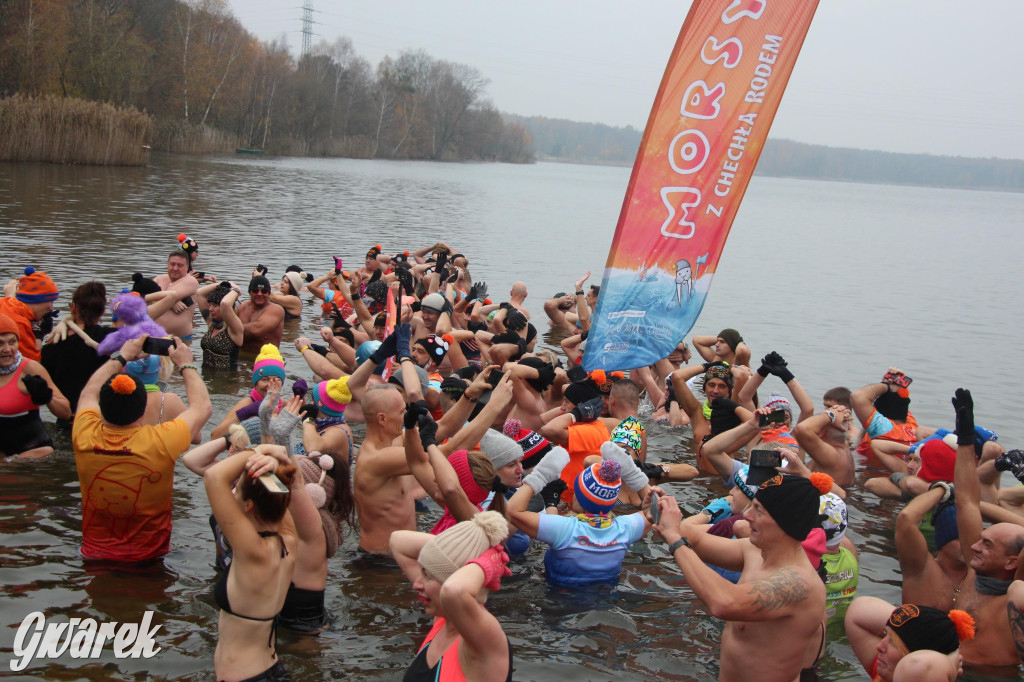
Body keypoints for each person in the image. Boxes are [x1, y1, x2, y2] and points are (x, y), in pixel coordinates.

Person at [652, 472, 833, 682]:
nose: (747, 516)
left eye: (759, 511)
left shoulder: (799, 583)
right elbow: (699, 541)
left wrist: (675, 539)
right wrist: (661, 515)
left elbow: (724, 602)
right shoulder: (756, 551)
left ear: (786, 523)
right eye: (752, 506)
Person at [72, 334, 211, 561]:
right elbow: (203, 407)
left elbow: (88, 391)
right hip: (151, 559)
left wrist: (122, 356)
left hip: (93, 557)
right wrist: (186, 364)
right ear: (143, 409)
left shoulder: (84, 433)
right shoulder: (161, 441)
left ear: (101, 408)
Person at [204, 447, 297, 681]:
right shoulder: (289, 541)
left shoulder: (252, 551)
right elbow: (278, 499)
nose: (232, 495)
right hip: (272, 668)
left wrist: (256, 453)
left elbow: (214, 478)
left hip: (243, 675)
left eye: (236, 493)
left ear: (248, 506)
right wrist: (271, 465)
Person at [948, 387, 1024, 669]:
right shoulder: (973, 568)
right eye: (982, 539)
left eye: (987, 545)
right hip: (949, 669)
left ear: (1012, 561)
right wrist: (965, 438)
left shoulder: (1015, 597)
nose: (974, 546)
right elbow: (967, 500)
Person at [390, 511, 514, 682]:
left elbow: (454, 590)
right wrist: (467, 543)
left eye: (428, 576)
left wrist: (491, 560)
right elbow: (397, 541)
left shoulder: (483, 640)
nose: (416, 584)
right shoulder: (443, 620)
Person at [507, 443, 653, 586]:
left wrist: (541, 476)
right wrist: (633, 475)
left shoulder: (563, 529)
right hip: (608, 600)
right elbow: (660, 511)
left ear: (580, 497)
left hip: (559, 602)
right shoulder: (625, 529)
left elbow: (512, 511)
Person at [845, 598, 975, 681]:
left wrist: (949, 664)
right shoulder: (884, 676)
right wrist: (905, 621)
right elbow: (858, 610)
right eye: (885, 635)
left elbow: (917, 666)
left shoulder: (910, 671)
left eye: (893, 643)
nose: (879, 646)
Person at [0, 313, 71, 458]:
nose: (7, 349)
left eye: (12, 342)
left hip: (30, 455)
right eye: (0, 343)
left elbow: (66, 412)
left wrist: (47, 396)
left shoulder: (30, 369)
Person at [41, 281, 113, 417]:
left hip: (66, 416)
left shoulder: (52, 344)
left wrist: (65, 321)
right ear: (102, 311)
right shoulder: (110, 338)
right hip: (98, 416)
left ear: (73, 308)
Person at [0, 265, 60, 362]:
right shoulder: (19, 323)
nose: (52, 308)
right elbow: (33, 363)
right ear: (36, 300)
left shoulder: (5, 302)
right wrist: (39, 335)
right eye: (51, 302)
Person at [153, 251, 199, 341]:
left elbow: (165, 297)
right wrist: (172, 302)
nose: (175, 268)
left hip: (179, 340)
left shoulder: (190, 281)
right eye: (172, 264)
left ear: (187, 267)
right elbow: (141, 296)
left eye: (180, 265)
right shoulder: (160, 278)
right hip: (154, 337)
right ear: (167, 264)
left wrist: (170, 300)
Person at [200, 283, 244, 369]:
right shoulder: (211, 323)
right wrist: (222, 284)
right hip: (206, 378)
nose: (210, 309)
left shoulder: (233, 328)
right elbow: (200, 294)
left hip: (227, 380)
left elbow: (225, 304)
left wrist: (236, 290)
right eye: (210, 305)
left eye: (215, 305)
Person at [237, 276, 285, 352]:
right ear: (250, 292)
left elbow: (256, 331)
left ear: (269, 293)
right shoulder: (241, 307)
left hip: (266, 360)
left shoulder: (276, 310)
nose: (259, 294)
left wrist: (232, 327)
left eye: (264, 291)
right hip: (241, 358)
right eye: (255, 291)